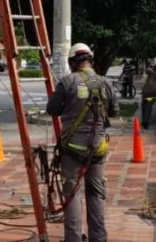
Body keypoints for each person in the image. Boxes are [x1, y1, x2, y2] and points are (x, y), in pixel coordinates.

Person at [46, 43, 118, 242]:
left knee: (72, 197)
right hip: (98, 149)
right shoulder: (106, 83)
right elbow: (114, 112)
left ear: (72, 62)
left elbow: (52, 109)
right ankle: (99, 238)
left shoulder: (67, 82)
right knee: (96, 195)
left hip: (73, 151)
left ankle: (74, 239)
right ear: (91, 60)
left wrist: (69, 109)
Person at [140, 60, 156, 130]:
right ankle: (144, 120)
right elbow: (145, 74)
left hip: (153, 93)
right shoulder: (150, 72)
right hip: (146, 91)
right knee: (144, 106)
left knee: (148, 107)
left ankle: (146, 122)